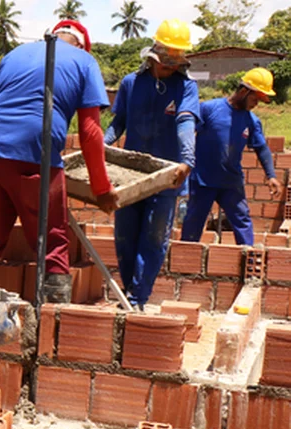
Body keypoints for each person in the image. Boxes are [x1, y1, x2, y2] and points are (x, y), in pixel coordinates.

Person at [0, 20, 119, 303]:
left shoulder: (15, 53)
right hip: (35, 149)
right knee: (52, 241)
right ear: (82, 45)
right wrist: (101, 188)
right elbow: (90, 131)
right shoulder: (85, 62)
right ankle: (53, 323)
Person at [105, 19, 199, 309]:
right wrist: (101, 146)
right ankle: (128, 293)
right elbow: (118, 122)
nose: (172, 66)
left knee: (154, 237)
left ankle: (138, 298)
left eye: (176, 60)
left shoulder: (186, 88)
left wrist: (187, 160)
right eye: (168, 60)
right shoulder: (132, 83)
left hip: (165, 176)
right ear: (155, 53)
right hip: (130, 174)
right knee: (125, 235)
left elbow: (185, 122)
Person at [180, 68, 284, 245]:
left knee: (242, 222)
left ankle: (248, 263)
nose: (256, 104)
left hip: (231, 182)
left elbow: (262, 148)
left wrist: (271, 176)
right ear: (244, 91)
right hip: (203, 180)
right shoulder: (209, 109)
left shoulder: (251, 121)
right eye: (255, 98)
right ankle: (184, 263)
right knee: (193, 225)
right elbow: (186, 134)